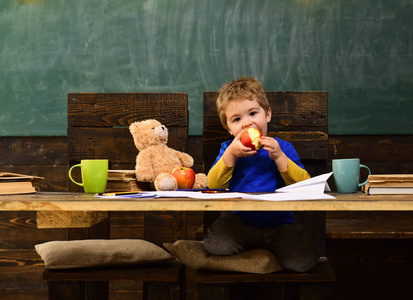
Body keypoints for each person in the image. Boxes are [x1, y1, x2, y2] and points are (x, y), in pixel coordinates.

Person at [203, 76, 319, 272]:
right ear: (229, 129)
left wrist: (280, 158)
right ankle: (261, 259)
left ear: (267, 115)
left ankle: (256, 259)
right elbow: (213, 184)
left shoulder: (283, 148)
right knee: (217, 244)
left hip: (279, 224)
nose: (247, 124)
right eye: (237, 119)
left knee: (304, 261)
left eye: (253, 113)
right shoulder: (228, 149)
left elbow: (305, 185)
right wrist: (231, 154)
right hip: (239, 222)